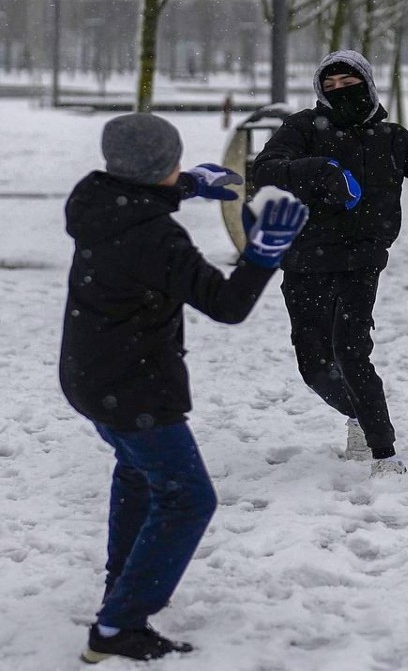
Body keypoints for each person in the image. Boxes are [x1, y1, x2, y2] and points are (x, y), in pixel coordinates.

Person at [60, 113, 308, 662]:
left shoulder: (94, 200)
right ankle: (118, 627)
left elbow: (140, 187)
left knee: (140, 474)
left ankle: (120, 590)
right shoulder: (156, 238)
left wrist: (191, 181)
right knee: (189, 500)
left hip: (89, 374)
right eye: (174, 163)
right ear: (156, 169)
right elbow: (226, 304)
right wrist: (263, 254)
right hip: (135, 386)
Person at [251, 49, 408, 478]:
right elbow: (266, 170)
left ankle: (384, 454)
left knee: (351, 351)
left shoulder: (391, 137)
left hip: (361, 260)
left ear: (366, 85)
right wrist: (318, 170)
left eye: (348, 83)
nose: (339, 91)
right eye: (329, 86)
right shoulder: (303, 128)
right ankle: (360, 416)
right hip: (305, 260)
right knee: (313, 366)